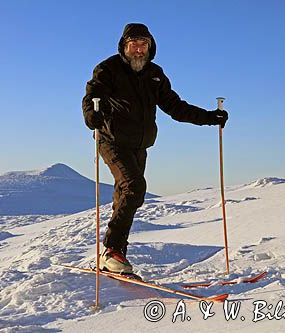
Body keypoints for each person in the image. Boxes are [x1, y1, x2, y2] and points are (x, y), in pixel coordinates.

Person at [82, 23, 228, 274]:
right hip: (112, 141)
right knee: (134, 187)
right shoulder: (108, 68)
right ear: (124, 46)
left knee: (127, 196)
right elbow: (93, 95)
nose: (139, 50)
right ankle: (112, 250)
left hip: (140, 145)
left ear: (150, 47)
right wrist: (91, 115)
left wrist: (209, 117)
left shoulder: (155, 74)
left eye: (143, 45)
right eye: (133, 44)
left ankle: (113, 256)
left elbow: (175, 106)